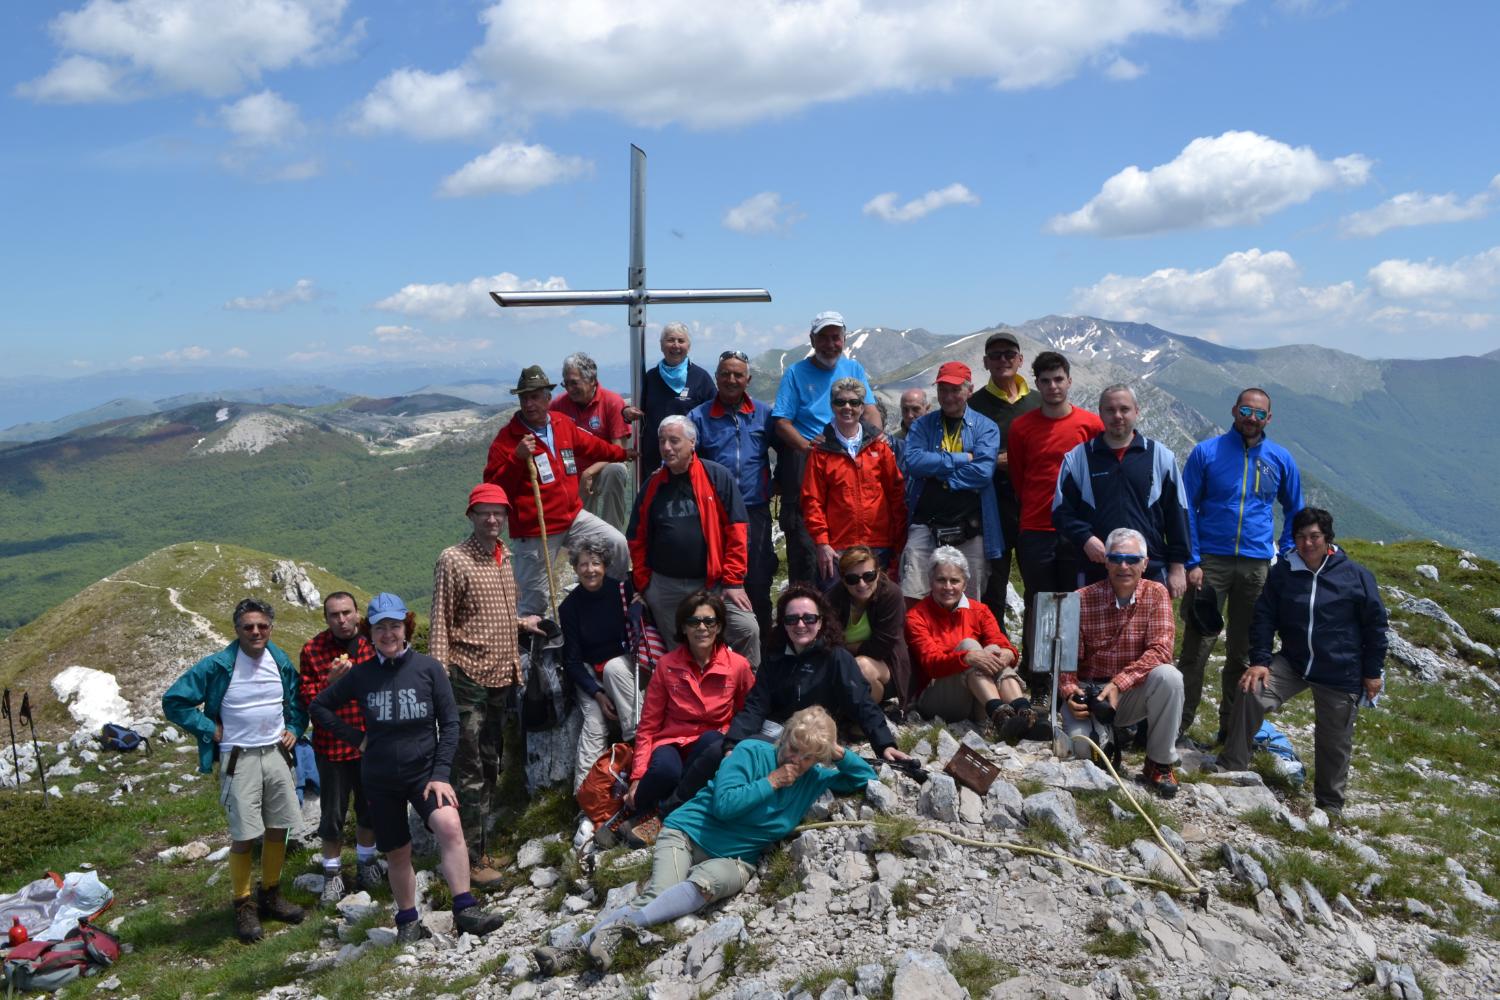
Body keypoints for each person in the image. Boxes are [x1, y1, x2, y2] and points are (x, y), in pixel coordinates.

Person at [545, 706, 876, 974]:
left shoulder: (813, 777)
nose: (795, 760)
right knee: (661, 890)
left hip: (736, 858)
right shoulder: (751, 752)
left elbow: (865, 777)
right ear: (783, 736)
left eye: (806, 756)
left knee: (706, 885)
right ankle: (578, 948)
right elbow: (725, 806)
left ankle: (599, 939)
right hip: (688, 833)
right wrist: (772, 782)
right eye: (792, 747)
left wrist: (836, 750)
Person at [309, 593, 505, 942]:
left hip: (425, 774)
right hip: (381, 779)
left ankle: (465, 910)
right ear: (370, 632)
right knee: (398, 851)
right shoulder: (361, 675)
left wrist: (441, 774)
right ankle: (408, 921)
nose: (388, 634)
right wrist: (357, 739)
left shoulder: (429, 669)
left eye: (395, 626)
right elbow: (320, 707)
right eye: (380, 627)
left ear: (407, 628)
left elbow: (451, 724)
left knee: (450, 826)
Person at [1215, 509, 1386, 819]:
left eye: (1314, 537)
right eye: (1301, 537)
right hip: (1294, 663)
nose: (1307, 543)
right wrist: (1260, 661)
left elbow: (1375, 627)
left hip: (1340, 670)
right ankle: (1232, 765)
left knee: (1334, 740)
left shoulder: (1355, 576)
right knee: (1251, 690)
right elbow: (1264, 616)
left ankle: (1329, 805)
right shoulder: (1283, 572)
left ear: (1328, 539)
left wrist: (1372, 673)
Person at [162, 598, 307, 943]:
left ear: (271, 627)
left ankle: (270, 894)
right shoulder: (218, 665)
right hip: (238, 757)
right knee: (243, 834)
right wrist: (207, 728)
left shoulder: (279, 659)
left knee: (279, 828)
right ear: (237, 629)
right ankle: (243, 904)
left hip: (276, 753)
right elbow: (174, 700)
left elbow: (298, 700)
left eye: (263, 626)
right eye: (248, 626)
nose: (256, 632)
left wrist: (296, 727)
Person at [430, 483, 543, 889]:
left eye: (499, 513)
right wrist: (440, 680)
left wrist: (521, 623)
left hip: (501, 675)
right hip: (466, 678)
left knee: (492, 763)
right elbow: (441, 618)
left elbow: (493, 613)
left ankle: (481, 846)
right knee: (470, 769)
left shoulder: (503, 557)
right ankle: (470, 860)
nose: (493, 519)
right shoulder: (454, 559)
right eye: (484, 513)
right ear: (471, 516)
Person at [1176, 387, 1304, 746]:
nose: (1251, 418)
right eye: (1246, 410)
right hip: (1211, 564)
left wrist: (1288, 552)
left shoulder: (1280, 459)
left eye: (1259, 413)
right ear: (1234, 410)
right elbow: (1186, 508)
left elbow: (1295, 509)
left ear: (1269, 418)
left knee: (1244, 652)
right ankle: (1177, 725)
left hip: (1256, 566)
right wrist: (1193, 560)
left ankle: (1231, 730)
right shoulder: (1207, 452)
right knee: (1196, 650)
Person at [484, 365, 632, 617]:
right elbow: (494, 489)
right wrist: (517, 459)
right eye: (524, 398)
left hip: (572, 517)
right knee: (534, 604)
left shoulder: (562, 424)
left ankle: (611, 603)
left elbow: (592, 446)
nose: (529, 404)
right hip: (534, 530)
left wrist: (623, 454)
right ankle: (533, 653)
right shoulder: (508, 438)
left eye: (534, 397)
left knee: (617, 543)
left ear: (547, 398)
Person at [618, 591, 754, 848]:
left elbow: (747, 712)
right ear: (683, 627)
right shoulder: (667, 665)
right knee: (664, 771)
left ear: (720, 626)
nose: (702, 627)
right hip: (672, 741)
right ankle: (634, 808)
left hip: (710, 743)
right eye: (694, 622)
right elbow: (648, 725)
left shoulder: (738, 666)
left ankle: (659, 816)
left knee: (714, 743)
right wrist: (637, 777)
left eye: (709, 621)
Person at [724, 584, 912, 765]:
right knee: (718, 748)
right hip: (776, 728)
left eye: (809, 618)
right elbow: (756, 705)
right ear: (783, 623)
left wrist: (885, 744)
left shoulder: (836, 657)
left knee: (751, 757)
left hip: (812, 735)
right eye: (791, 619)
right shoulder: (775, 656)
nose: (800, 625)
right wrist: (733, 742)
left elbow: (861, 702)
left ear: (821, 621)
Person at [1059, 529, 1184, 799]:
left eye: (1132, 559)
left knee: (1170, 677)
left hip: (1129, 690)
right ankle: (1105, 738)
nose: (1123, 566)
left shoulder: (1157, 594)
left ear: (1145, 563)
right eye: (1116, 558)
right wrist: (1070, 693)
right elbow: (1065, 660)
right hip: (1090, 692)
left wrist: (1119, 684)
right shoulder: (1081, 598)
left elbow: (1161, 650)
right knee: (1084, 752)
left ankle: (1159, 763)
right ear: (1105, 562)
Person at [627, 415, 761, 666]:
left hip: (713, 584)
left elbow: (738, 531)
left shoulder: (716, 477)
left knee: (746, 629)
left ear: (692, 443)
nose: (667, 447)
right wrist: (644, 585)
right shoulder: (653, 485)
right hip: (665, 588)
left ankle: (748, 695)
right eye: (662, 441)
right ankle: (691, 700)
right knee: (681, 651)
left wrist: (733, 581)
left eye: (674, 441)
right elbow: (636, 538)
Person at [1007, 351, 1103, 691]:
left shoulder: (1091, 425)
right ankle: (1038, 677)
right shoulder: (1022, 427)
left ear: (1069, 381)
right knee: (1038, 601)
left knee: (1073, 601)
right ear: (1037, 384)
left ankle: (1071, 676)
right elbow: (1019, 476)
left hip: (1076, 530)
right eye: (1045, 381)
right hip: (1035, 527)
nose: (1052, 386)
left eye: (1058, 379)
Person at [771, 311, 879, 585]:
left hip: (847, 464)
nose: (831, 344)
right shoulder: (796, 373)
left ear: (844, 339)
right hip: (809, 465)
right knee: (808, 553)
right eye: (824, 338)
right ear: (812, 339)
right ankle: (805, 617)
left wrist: (875, 441)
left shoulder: (853, 368)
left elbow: (869, 410)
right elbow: (782, 422)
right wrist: (809, 449)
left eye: (836, 338)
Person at [1053, 384, 1190, 595]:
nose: (1117, 416)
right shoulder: (1078, 458)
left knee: (1153, 629)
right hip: (1095, 570)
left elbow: (1177, 514)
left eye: (1124, 409)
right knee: (1091, 629)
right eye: (1110, 410)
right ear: (1100, 413)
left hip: (1149, 570)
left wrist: (1177, 567)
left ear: (1137, 411)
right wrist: (1085, 538)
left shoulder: (1161, 456)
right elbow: (1061, 512)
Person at [297, 592, 382, 907]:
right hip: (332, 748)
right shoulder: (313, 650)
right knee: (332, 816)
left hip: (371, 745)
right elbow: (308, 700)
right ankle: (332, 876)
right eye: (335, 615)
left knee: (369, 809)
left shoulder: (372, 645)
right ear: (326, 619)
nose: (342, 620)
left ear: (358, 613)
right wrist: (330, 682)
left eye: (347, 613)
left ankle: (366, 863)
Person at [904, 547, 1035, 744]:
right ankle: (1000, 715)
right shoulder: (916, 616)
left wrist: (1006, 653)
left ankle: (1023, 714)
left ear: (965, 583)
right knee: (970, 645)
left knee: (994, 650)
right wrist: (966, 657)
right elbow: (931, 664)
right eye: (941, 580)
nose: (948, 586)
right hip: (937, 697)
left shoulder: (979, 610)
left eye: (954, 581)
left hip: (976, 697)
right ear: (930, 581)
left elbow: (1002, 644)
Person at [690, 349, 778, 638]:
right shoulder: (699, 417)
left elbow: (786, 451)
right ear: (716, 377)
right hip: (715, 514)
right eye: (725, 374)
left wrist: (775, 484)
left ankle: (763, 651)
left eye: (737, 374)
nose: (731, 379)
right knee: (714, 581)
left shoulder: (764, 414)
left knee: (758, 581)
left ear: (748, 379)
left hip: (755, 511)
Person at [899, 362, 1004, 604]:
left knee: (969, 602)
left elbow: (983, 472)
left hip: (971, 528)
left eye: (955, 390)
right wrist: (961, 458)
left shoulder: (985, 427)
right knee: (913, 595)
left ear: (970, 391)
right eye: (943, 390)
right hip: (925, 524)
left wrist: (940, 476)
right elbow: (913, 462)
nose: (948, 397)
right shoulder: (923, 425)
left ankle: (965, 643)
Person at [802, 376, 907, 587]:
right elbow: (812, 501)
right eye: (840, 402)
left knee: (879, 611)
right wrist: (822, 543)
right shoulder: (821, 452)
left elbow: (896, 495)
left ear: (862, 407)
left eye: (854, 402)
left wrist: (898, 543)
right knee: (837, 614)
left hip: (880, 544)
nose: (847, 407)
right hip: (838, 548)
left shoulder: (879, 447)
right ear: (832, 406)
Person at [967, 331, 1040, 621]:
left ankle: (1036, 663)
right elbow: (960, 453)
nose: (1002, 360)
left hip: (1033, 508)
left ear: (1020, 360)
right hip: (991, 508)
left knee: (1037, 586)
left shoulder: (1037, 402)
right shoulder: (973, 405)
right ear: (985, 362)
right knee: (992, 587)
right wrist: (995, 461)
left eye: (1009, 354)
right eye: (995, 355)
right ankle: (996, 657)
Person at [559, 539, 639, 792]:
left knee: (615, 667)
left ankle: (637, 745)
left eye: (595, 563)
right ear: (575, 568)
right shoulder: (569, 607)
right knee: (594, 724)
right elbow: (572, 661)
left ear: (605, 565)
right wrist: (597, 694)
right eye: (583, 564)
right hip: (592, 672)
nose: (589, 570)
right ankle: (587, 797)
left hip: (624, 666)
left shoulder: (622, 592)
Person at [551, 351, 639, 532]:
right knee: (582, 527)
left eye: (574, 383)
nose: (569, 388)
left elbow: (618, 451)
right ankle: (582, 547)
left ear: (591, 380)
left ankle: (611, 534)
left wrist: (589, 473)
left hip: (604, 466)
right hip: (573, 470)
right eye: (565, 383)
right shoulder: (559, 405)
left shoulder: (612, 402)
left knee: (616, 470)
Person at [826, 545, 914, 709]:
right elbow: (828, 640)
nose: (862, 584)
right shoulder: (833, 598)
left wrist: (844, 648)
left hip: (887, 667)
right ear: (843, 580)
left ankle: (863, 716)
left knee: (861, 666)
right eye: (853, 579)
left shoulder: (891, 594)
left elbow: (881, 647)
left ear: (878, 572)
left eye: (869, 576)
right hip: (844, 665)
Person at [640, 322, 715, 473]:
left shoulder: (701, 378)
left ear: (689, 346)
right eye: (670, 340)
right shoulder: (650, 377)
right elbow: (640, 412)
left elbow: (713, 417)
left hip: (691, 462)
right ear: (661, 346)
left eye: (681, 341)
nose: (675, 345)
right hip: (654, 460)